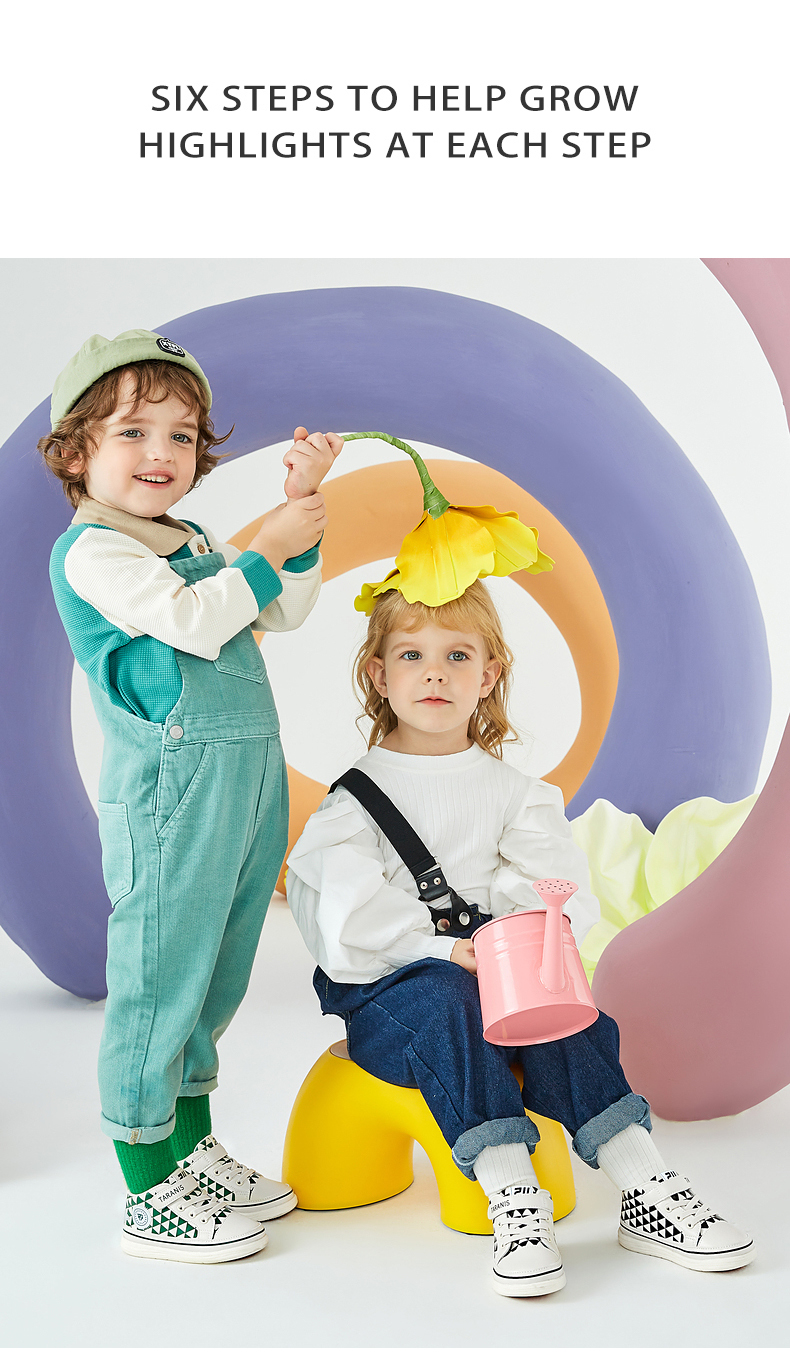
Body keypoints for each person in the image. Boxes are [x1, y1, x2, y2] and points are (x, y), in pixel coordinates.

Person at [286, 580, 754, 1297]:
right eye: (411, 655)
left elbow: (551, 886)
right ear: (379, 675)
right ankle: (513, 1195)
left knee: (564, 1012)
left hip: (498, 979)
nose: (435, 674)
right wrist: (444, 949)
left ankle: (646, 1187)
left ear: (489, 674)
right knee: (448, 997)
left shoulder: (515, 794)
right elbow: (344, 916)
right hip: (394, 996)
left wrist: (516, 944)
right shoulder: (355, 800)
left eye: (457, 655)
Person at [39, 328, 343, 1263]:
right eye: (133, 432)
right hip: (171, 790)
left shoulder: (197, 540)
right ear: (76, 452)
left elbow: (282, 608)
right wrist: (266, 547)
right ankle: (147, 1187)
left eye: (181, 435)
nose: (162, 452)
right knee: (159, 978)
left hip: (246, 777)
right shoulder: (92, 552)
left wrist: (297, 523)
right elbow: (197, 620)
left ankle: (191, 1149)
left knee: (216, 974)